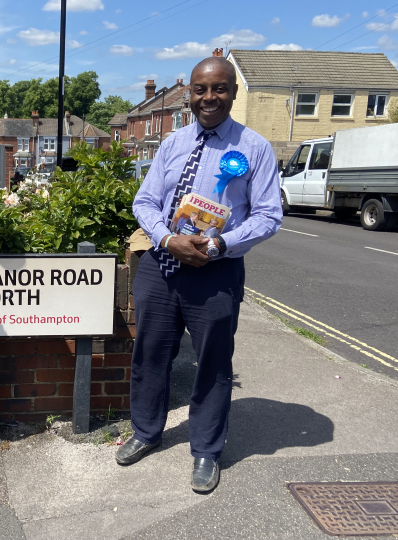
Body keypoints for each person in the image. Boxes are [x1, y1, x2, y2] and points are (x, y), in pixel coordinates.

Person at [116, 56, 282, 493]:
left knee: (212, 363)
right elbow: (145, 202)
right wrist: (167, 240)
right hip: (161, 264)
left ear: (233, 92)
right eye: (200, 89)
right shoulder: (172, 143)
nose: (209, 97)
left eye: (219, 89)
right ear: (189, 93)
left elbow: (268, 215)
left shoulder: (255, 148)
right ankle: (145, 431)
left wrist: (221, 244)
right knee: (149, 354)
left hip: (215, 272)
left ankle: (206, 450)